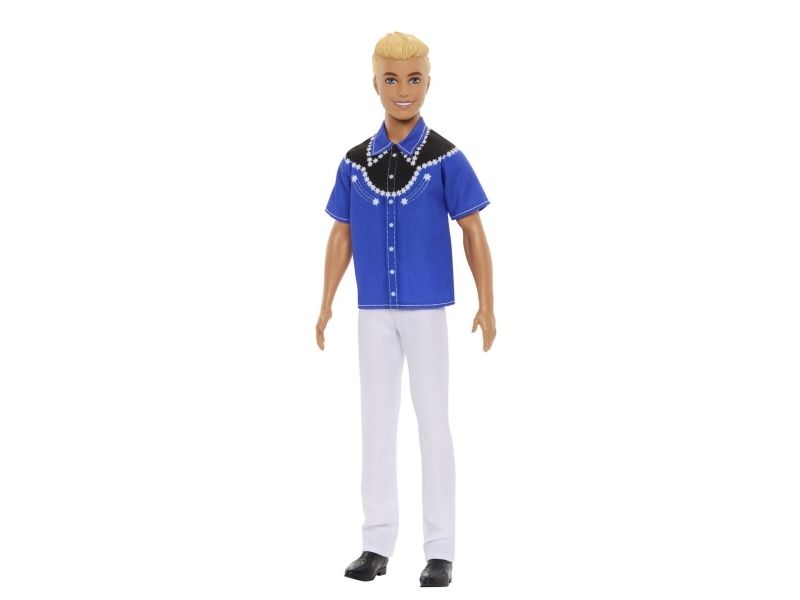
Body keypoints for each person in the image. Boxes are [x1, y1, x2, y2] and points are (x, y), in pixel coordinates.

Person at [316, 31, 496, 588]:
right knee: (376, 423)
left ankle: (440, 549)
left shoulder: (445, 158)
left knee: (433, 422)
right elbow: (341, 233)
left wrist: (488, 303)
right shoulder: (354, 163)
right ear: (375, 84)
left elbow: (473, 230)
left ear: (428, 82)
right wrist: (325, 302)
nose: (403, 90)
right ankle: (376, 543)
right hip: (372, 312)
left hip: (425, 312)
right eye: (391, 79)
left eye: (414, 79)